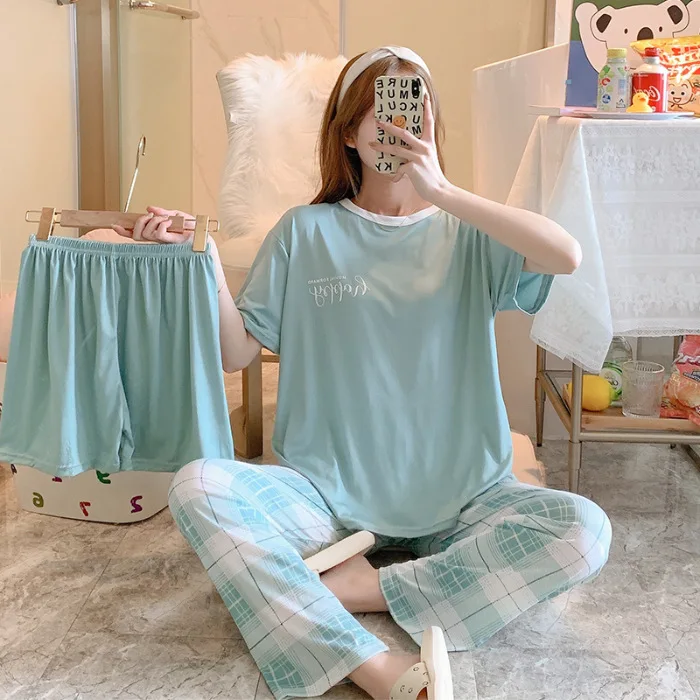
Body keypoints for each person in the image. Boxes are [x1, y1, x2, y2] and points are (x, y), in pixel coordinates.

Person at [115, 47, 611, 700]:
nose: (398, 129)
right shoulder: (304, 231)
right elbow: (237, 353)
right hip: (324, 497)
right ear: (348, 132)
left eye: (413, 112)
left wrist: (444, 192)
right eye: (382, 115)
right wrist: (200, 256)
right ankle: (369, 665)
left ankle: (362, 588)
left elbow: (566, 255)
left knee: (583, 532)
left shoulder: (467, 233)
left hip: (464, 495)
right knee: (199, 486)